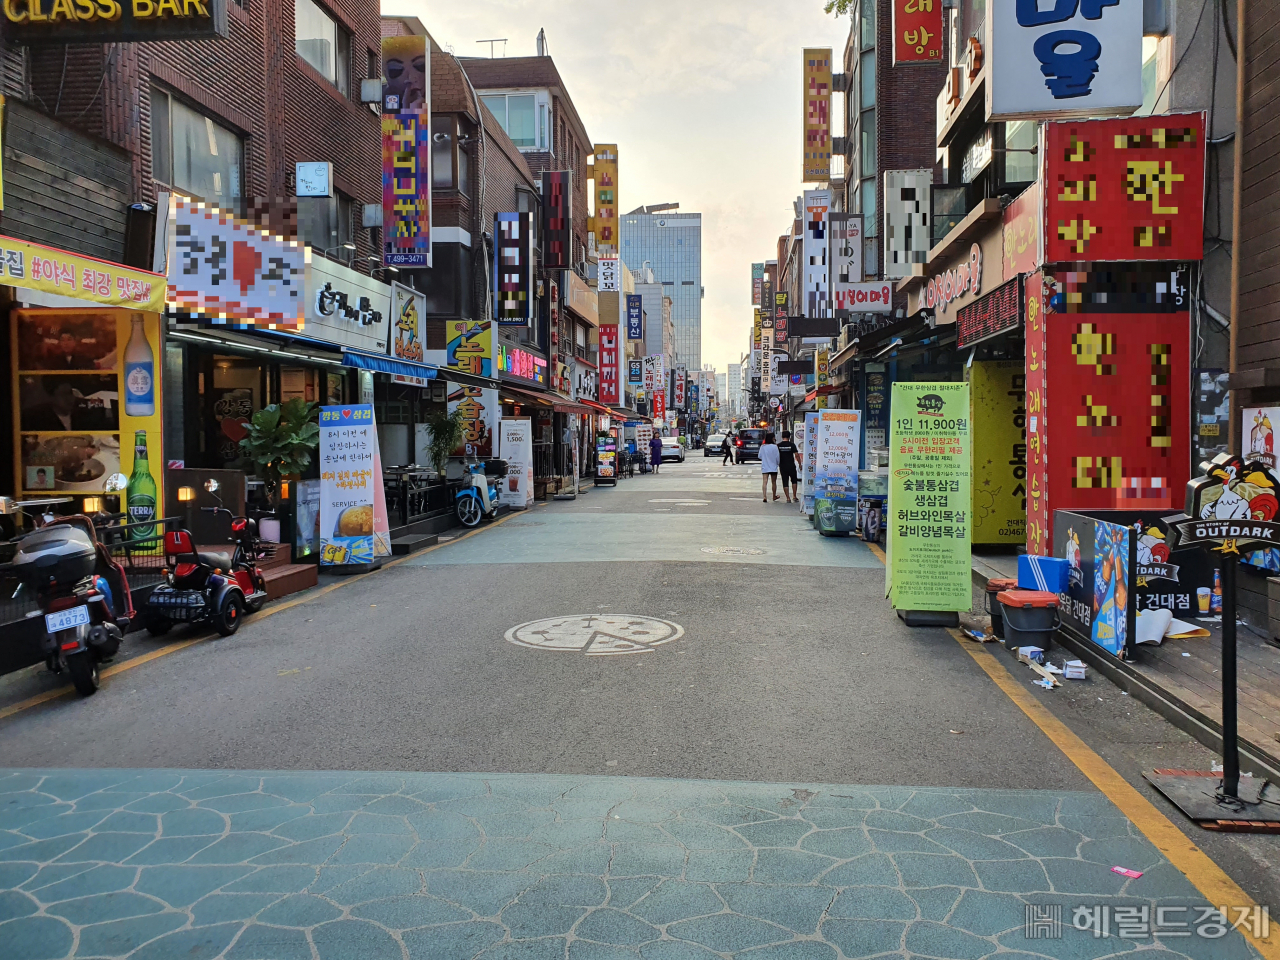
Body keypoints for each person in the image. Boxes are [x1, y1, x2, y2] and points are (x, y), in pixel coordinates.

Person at [777, 430, 800, 503]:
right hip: (791, 465)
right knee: (794, 480)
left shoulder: (778, 445)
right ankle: (794, 496)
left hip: (783, 466)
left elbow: (776, 456)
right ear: (789, 437)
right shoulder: (792, 445)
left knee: (785, 481)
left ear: (782, 436)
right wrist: (800, 463)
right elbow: (796, 455)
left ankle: (788, 498)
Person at [759, 432, 780, 502]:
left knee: (765, 481)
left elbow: (759, 456)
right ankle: (774, 496)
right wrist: (777, 463)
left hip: (765, 466)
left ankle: (764, 496)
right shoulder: (775, 446)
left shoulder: (763, 447)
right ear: (772, 438)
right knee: (774, 482)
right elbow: (778, 457)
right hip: (773, 466)